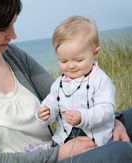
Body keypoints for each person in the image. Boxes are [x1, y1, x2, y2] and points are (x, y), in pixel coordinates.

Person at [0, 0, 132, 162]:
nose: (13, 35)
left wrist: (114, 122)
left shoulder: (13, 55)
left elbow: (65, 98)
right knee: (122, 153)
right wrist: (58, 154)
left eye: (12, 24)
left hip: (61, 145)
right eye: (4, 28)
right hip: (53, 156)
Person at [37, 16, 115, 146]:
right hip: (64, 138)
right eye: (63, 61)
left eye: (78, 60)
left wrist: (83, 117)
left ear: (95, 52)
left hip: (94, 139)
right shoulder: (59, 83)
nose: (71, 66)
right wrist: (46, 112)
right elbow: (52, 102)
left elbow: (106, 109)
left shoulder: (100, 80)